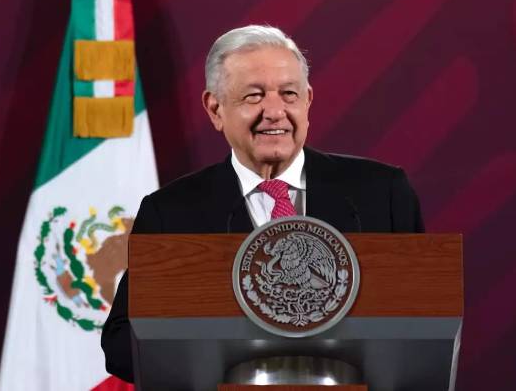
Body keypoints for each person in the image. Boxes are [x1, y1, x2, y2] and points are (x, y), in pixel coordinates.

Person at [101, 25, 424, 383]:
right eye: (254, 96)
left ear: (307, 101)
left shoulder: (382, 193)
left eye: (289, 94)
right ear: (215, 109)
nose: (275, 111)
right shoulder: (171, 213)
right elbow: (121, 345)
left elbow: (427, 320)